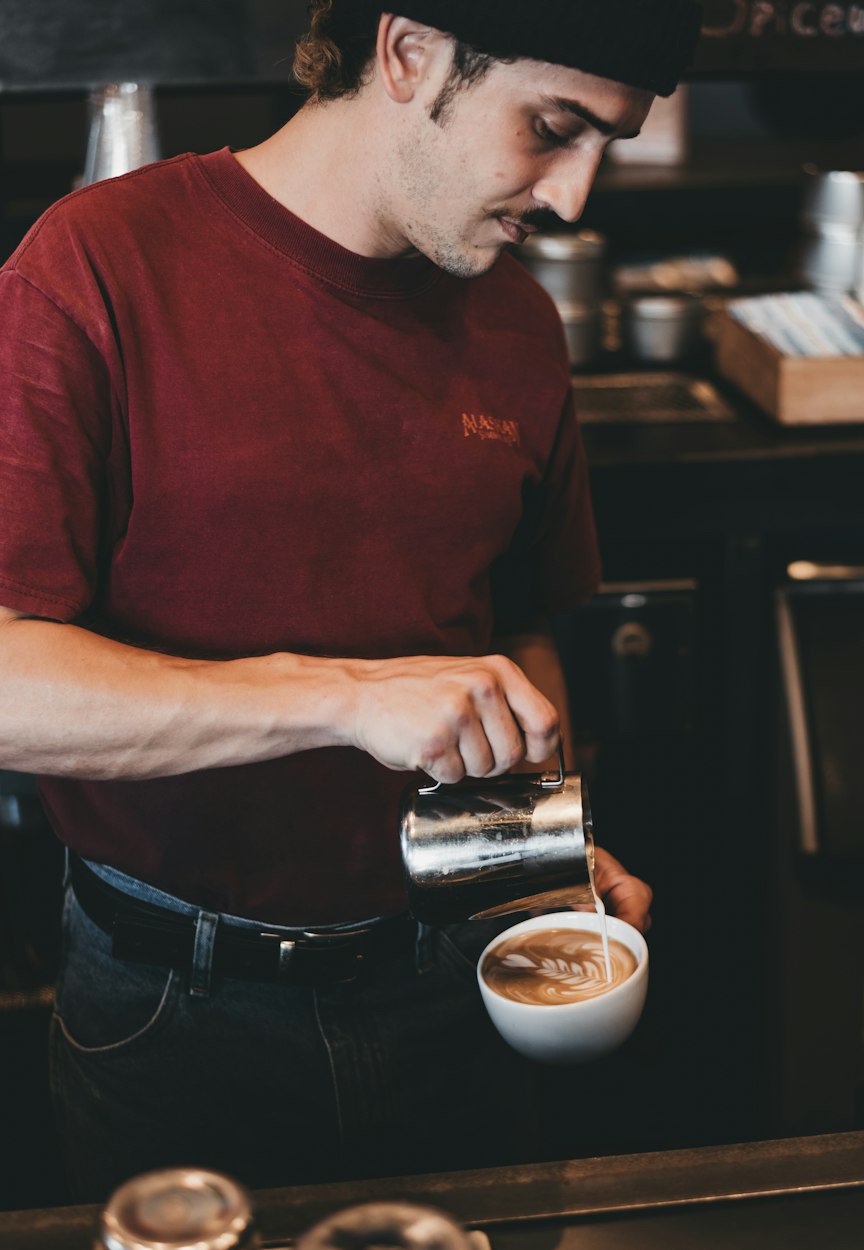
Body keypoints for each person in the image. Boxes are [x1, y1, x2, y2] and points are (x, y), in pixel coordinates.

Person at [0, 0, 701, 1201]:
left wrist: (537, 858)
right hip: (179, 1013)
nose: (575, 198)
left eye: (607, 146)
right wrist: (342, 699)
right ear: (407, 51)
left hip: (458, 988)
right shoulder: (96, 266)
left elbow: (519, 630)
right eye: (551, 127)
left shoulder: (518, 322)